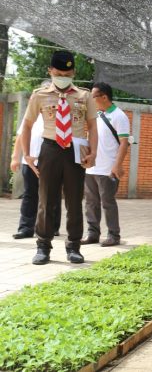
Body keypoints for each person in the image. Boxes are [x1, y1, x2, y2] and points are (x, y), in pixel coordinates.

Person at [20, 50, 98, 265]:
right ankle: (43, 246)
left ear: (73, 72)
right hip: (50, 148)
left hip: (77, 149)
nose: (64, 74)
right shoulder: (40, 95)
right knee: (46, 199)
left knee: (74, 200)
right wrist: (26, 154)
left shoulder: (84, 95)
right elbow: (27, 125)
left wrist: (93, 152)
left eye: (68, 71)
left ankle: (74, 246)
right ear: (50, 71)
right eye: (59, 71)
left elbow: (92, 125)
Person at [81, 82, 130, 247]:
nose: (91, 100)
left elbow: (124, 143)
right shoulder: (94, 115)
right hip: (92, 167)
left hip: (108, 168)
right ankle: (93, 234)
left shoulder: (119, 115)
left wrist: (117, 165)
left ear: (104, 97)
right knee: (90, 202)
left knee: (107, 202)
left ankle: (114, 235)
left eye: (93, 96)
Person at [11, 81, 61, 239]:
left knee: (51, 195)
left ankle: (51, 227)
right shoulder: (30, 116)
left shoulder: (58, 114)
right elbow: (20, 137)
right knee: (29, 195)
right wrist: (15, 158)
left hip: (52, 162)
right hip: (29, 162)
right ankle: (26, 228)